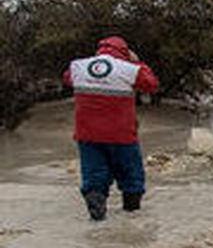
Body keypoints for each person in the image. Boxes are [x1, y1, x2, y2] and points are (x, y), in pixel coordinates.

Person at [63, 35, 160, 221]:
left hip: (88, 136)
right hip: (122, 136)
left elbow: (68, 79)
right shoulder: (130, 69)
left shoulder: (77, 66)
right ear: (124, 52)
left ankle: (97, 219)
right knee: (131, 177)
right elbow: (151, 84)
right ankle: (131, 219)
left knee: (93, 177)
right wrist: (138, 62)